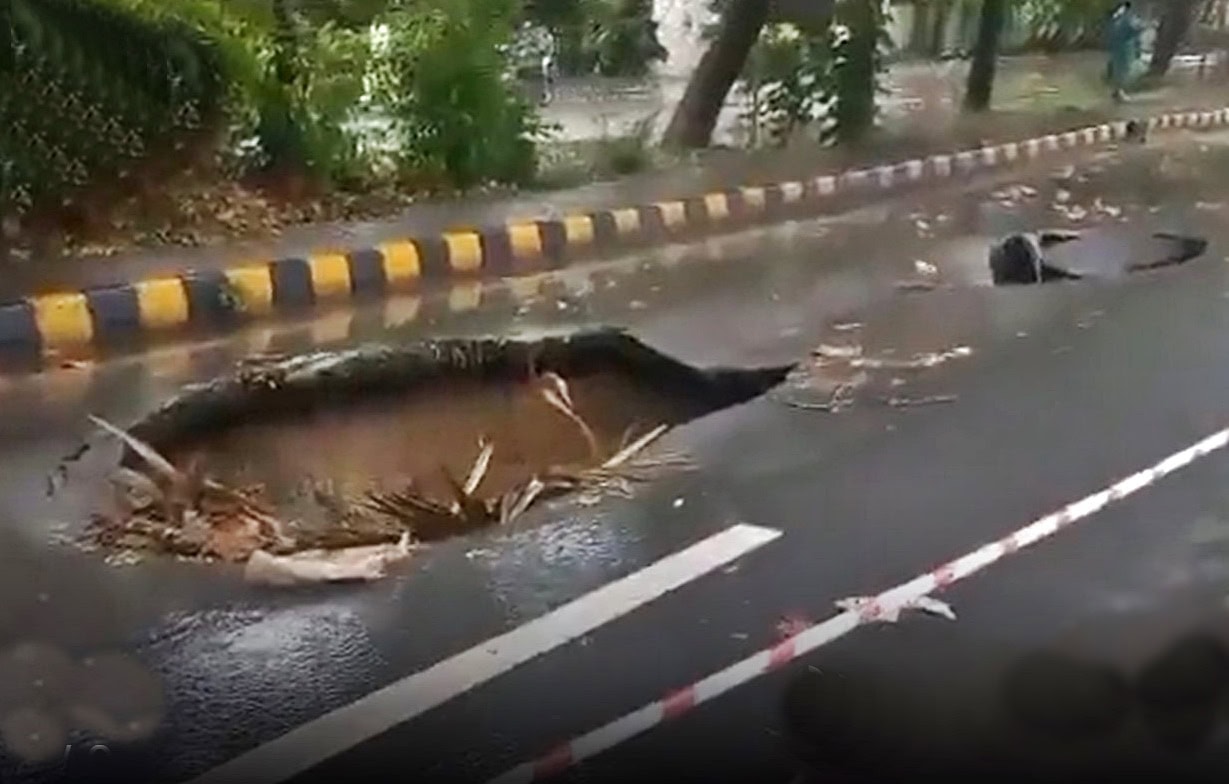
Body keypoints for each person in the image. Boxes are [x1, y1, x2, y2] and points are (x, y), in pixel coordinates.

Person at [1106, 1, 1143, 103]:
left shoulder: (1116, 16)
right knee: (1123, 70)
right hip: (1124, 46)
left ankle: (1116, 91)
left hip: (1118, 46)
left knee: (1119, 69)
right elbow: (1133, 29)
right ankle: (1119, 92)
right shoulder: (1126, 17)